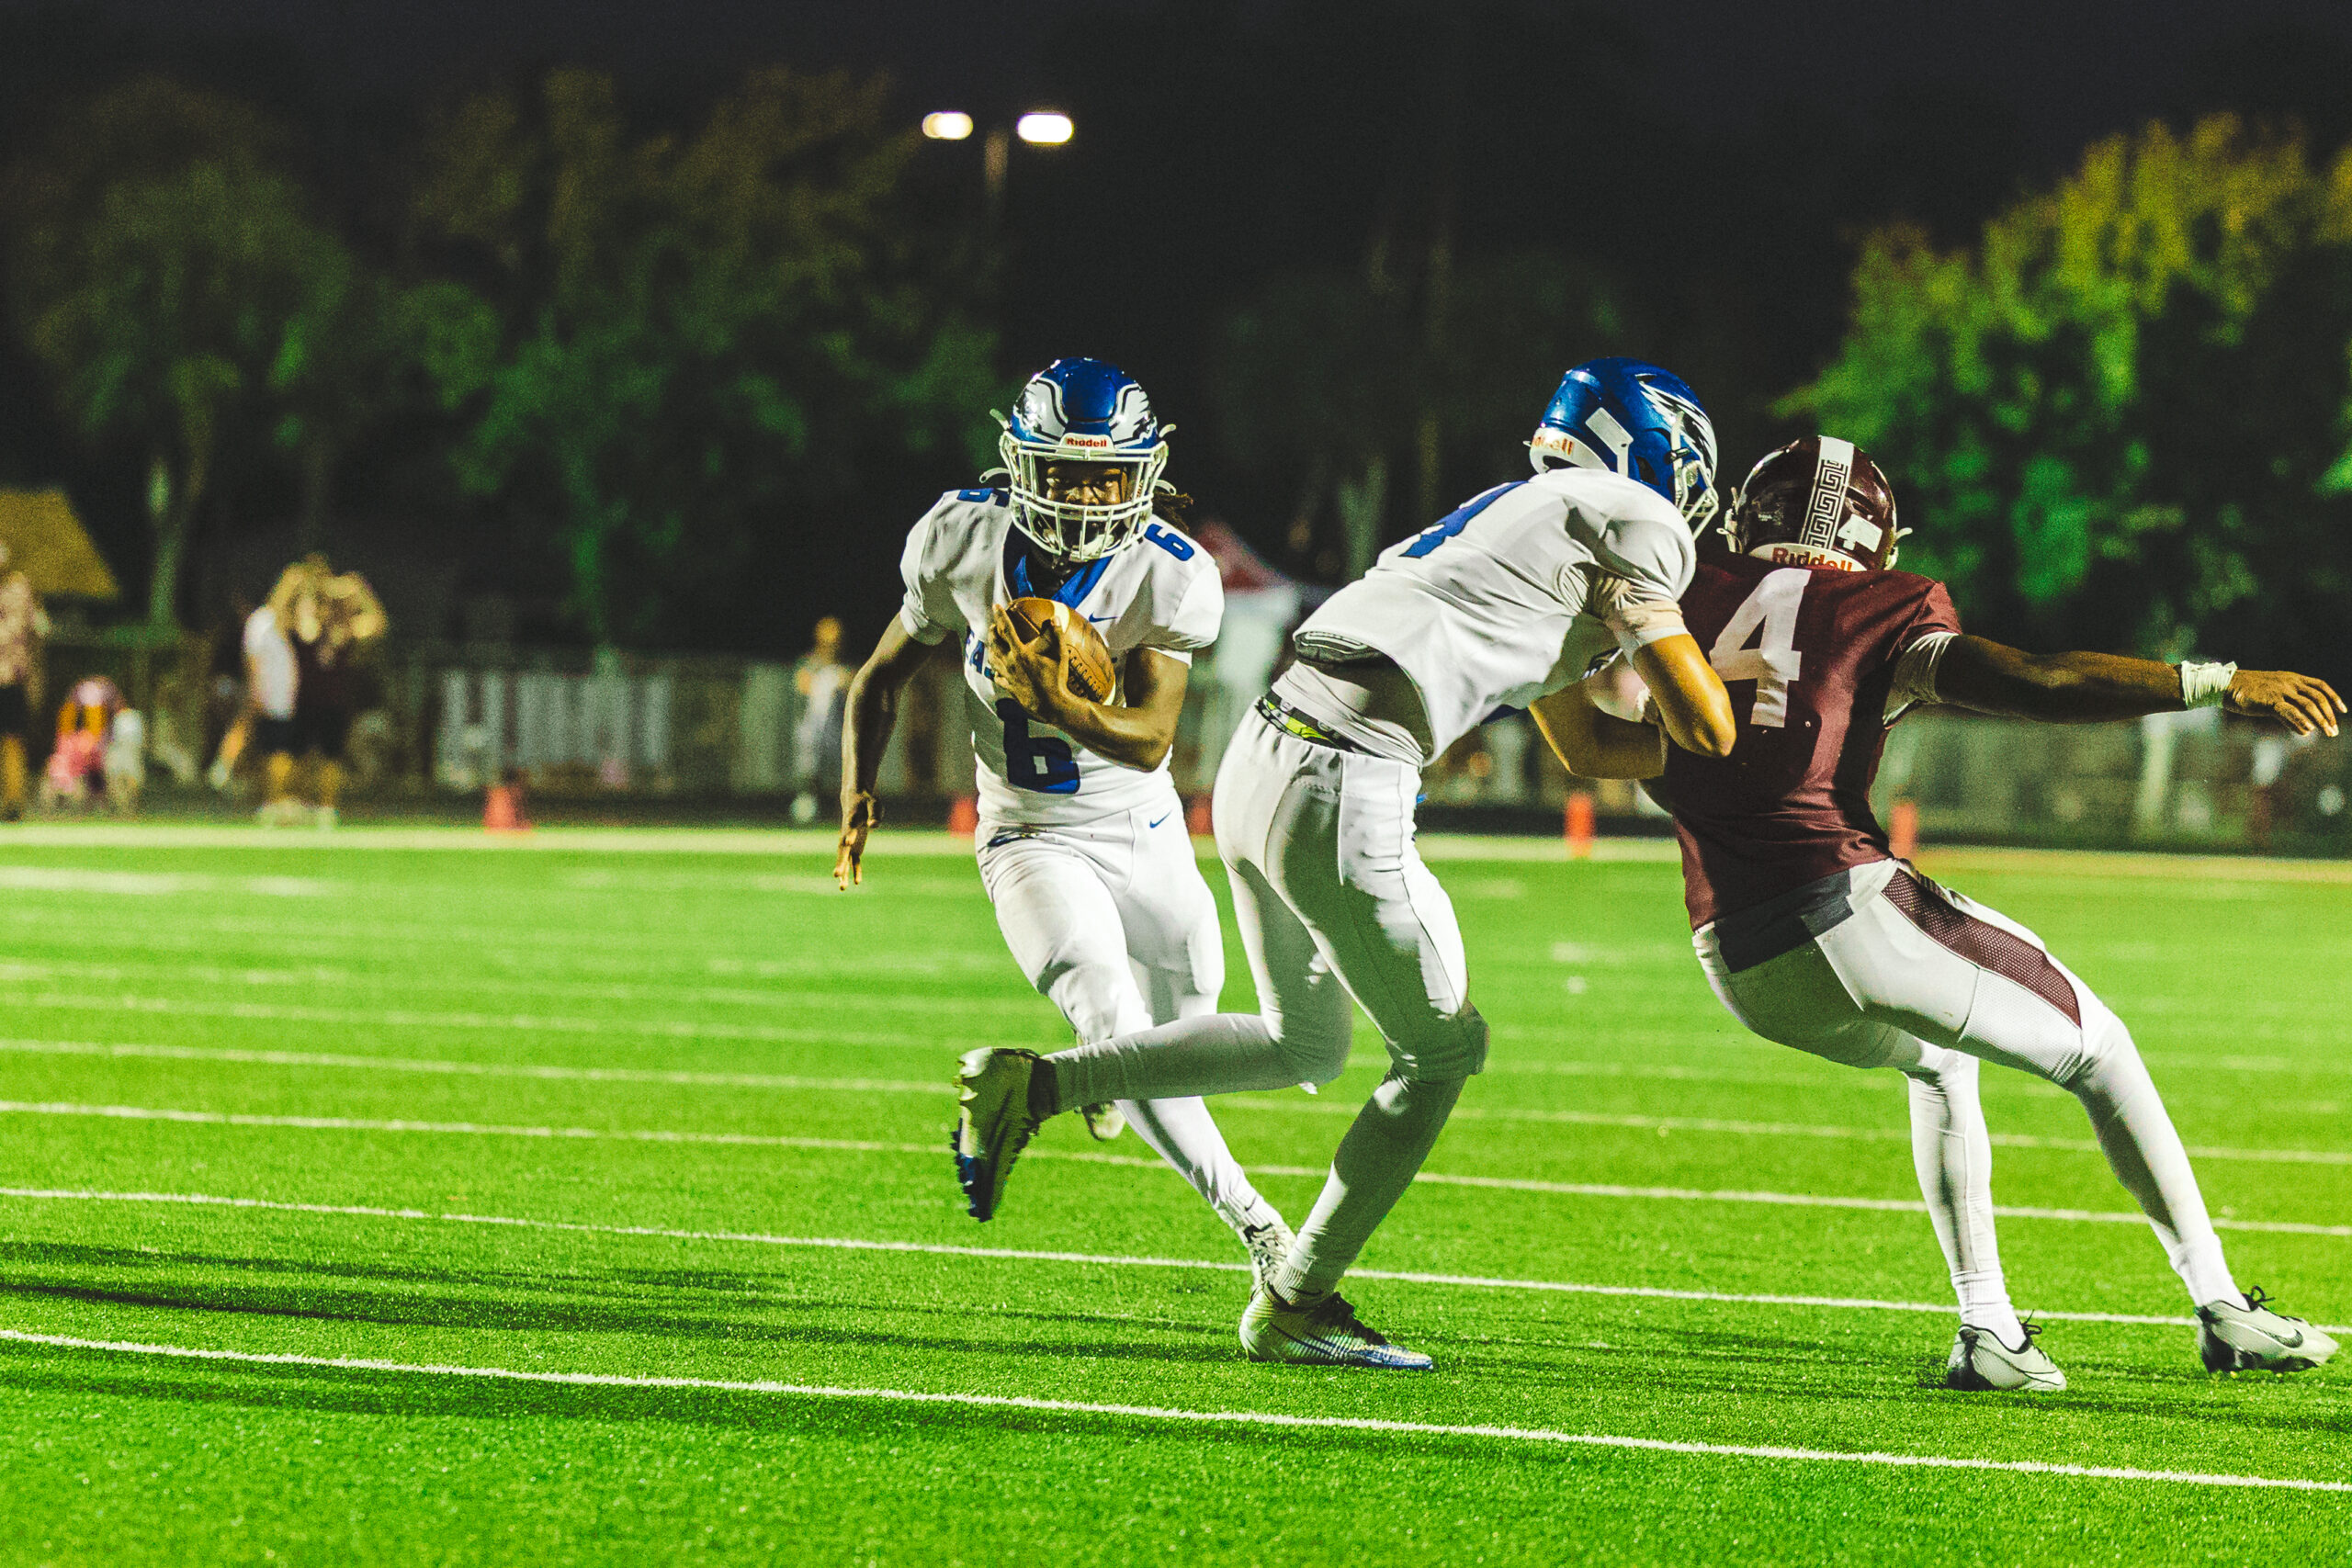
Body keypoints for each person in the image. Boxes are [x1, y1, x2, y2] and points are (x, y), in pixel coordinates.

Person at [951, 358, 1740, 1369]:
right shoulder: (1637, 520)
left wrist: (1710, 752)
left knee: (1305, 1046)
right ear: (1662, 456)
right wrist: (1771, 735)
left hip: (1269, 751)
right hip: (1345, 775)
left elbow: (1589, 749)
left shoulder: (1522, 517)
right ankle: (1297, 1299)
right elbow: (1707, 729)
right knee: (1443, 1051)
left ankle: (1041, 1086)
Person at [1625, 434, 2342, 1391]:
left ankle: (1989, 1332)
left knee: (1939, 1060)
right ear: (1872, 535)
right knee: (2103, 1047)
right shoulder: (1883, 603)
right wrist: (2213, 682)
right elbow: (2034, 680)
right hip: (1845, 911)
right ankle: (2221, 1310)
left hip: (1737, 959)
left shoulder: (1691, 590)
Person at [836, 356, 1294, 1287]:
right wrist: (856, 792)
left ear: (1144, 477)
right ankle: (1266, 1237)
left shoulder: (1169, 572)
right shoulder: (959, 538)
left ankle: (1085, 1078)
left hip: (1145, 830)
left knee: (1178, 1044)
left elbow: (1152, 740)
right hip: (1029, 838)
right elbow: (878, 677)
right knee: (1109, 1013)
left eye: (1105, 475)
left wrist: (1059, 699)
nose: (1085, 495)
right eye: (1065, 471)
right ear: (1021, 466)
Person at [0, 541, 48, 821]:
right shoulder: (21, 588)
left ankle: (14, 801)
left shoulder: (18, 589)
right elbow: (40, 628)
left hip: (11, 678)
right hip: (14, 677)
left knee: (13, 741)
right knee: (13, 741)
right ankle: (13, 802)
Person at [789, 616, 851, 823]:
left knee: (843, 771)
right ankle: (806, 809)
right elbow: (801, 685)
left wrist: (843, 680)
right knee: (808, 770)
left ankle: (844, 812)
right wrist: (823, 681)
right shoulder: (809, 663)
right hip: (811, 726)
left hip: (835, 728)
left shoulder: (842, 667)